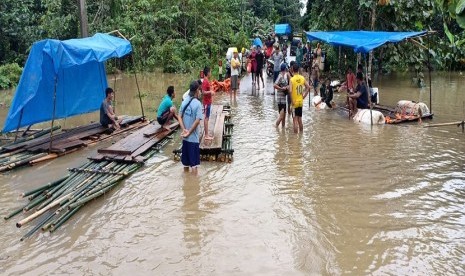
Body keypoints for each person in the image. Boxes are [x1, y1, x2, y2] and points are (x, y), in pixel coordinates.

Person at [178, 81, 204, 173]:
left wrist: (184, 129)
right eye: (200, 90)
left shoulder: (184, 101)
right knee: (194, 166)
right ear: (197, 90)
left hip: (185, 139)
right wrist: (189, 132)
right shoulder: (197, 104)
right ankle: (194, 186)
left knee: (185, 164)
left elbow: (179, 117)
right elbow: (197, 121)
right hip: (193, 139)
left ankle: (186, 185)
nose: (200, 92)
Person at [289, 63, 311, 133]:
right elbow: (308, 87)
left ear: (292, 69)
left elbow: (290, 91)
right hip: (300, 102)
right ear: (298, 70)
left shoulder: (292, 79)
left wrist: (292, 102)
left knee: (295, 121)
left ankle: (296, 140)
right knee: (300, 120)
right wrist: (304, 96)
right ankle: (301, 135)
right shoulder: (302, 78)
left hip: (294, 102)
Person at [273, 63, 290, 128]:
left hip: (284, 99)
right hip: (280, 99)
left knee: (284, 116)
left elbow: (287, 84)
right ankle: (275, 126)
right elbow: (274, 85)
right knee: (281, 117)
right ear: (285, 69)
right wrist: (281, 88)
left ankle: (283, 130)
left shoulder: (285, 76)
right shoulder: (280, 76)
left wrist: (287, 87)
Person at [201, 66, 214, 140]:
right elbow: (203, 92)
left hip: (208, 102)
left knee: (207, 118)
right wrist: (210, 92)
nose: (211, 73)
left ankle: (207, 134)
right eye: (210, 72)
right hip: (206, 103)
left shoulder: (206, 81)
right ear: (208, 73)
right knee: (206, 118)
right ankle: (206, 135)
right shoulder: (205, 81)